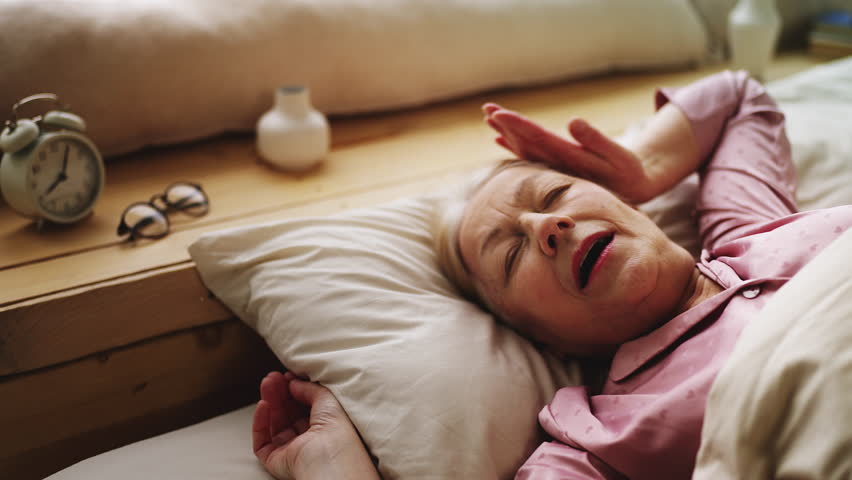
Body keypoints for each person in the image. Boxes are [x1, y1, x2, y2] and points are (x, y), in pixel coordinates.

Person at [251, 71, 852, 479]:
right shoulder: (594, 436)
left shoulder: (751, 231)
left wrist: (643, 167)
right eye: (511, 256)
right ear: (542, 339)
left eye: (558, 193)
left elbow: (737, 94)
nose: (547, 225)